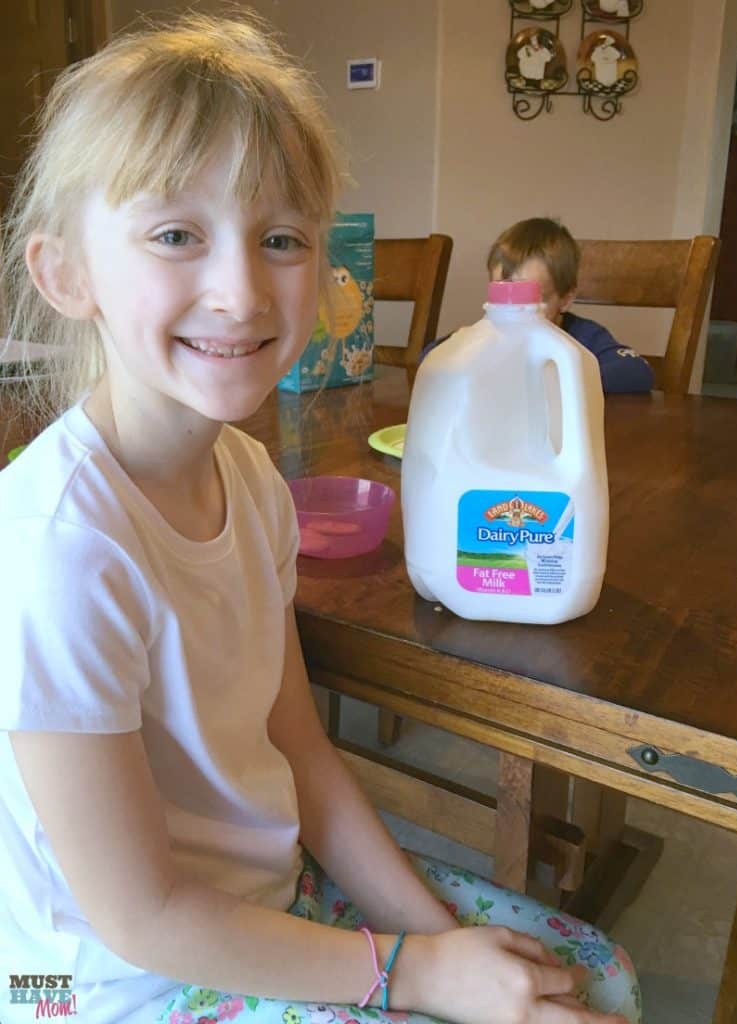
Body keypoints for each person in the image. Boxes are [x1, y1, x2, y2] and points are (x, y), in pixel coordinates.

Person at [0, 14, 640, 1024]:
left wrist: (432, 934)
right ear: (64, 273)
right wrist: (416, 975)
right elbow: (142, 915)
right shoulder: (60, 550)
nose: (241, 288)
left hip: (262, 891)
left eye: (281, 238)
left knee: (589, 980)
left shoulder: (252, 480)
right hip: (98, 981)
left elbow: (298, 743)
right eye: (176, 234)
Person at [422, 218, 654, 394]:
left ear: (566, 298)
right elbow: (430, 355)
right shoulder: (489, 335)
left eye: (533, 300)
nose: (517, 312)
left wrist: (561, 380)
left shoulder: (581, 337)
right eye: (505, 297)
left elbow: (636, 371)